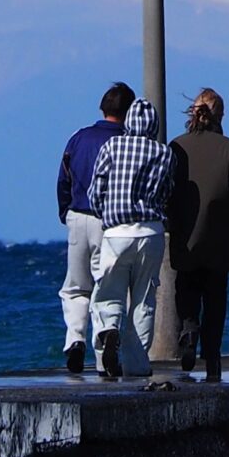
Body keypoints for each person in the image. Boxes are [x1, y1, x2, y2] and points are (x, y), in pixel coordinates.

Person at [86, 94, 176, 379]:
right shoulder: (164, 153)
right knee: (144, 298)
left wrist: (105, 215)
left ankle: (108, 329)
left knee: (108, 293)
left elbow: (96, 190)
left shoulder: (113, 146)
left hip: (116, 233)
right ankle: (137, 364)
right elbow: (166, 193)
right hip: (151, 233)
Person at [168, 87, 229, 382]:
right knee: (215, 299)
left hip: (185, 236)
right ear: (220, 115)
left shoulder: (176, 146)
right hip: (218, 237)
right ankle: (212, 358)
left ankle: (189, 331)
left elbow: (170, 193)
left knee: (186, 289)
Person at [54, 82, 132, 374]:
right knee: (106, 286)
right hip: (109, 221)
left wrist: (66, 211)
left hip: (77, 216)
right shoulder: (126, 141)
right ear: (129, 111)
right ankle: (104, 352)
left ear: (103, 108)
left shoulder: (78, 138)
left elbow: (63, 178)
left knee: (75, 287)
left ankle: (75, 340)